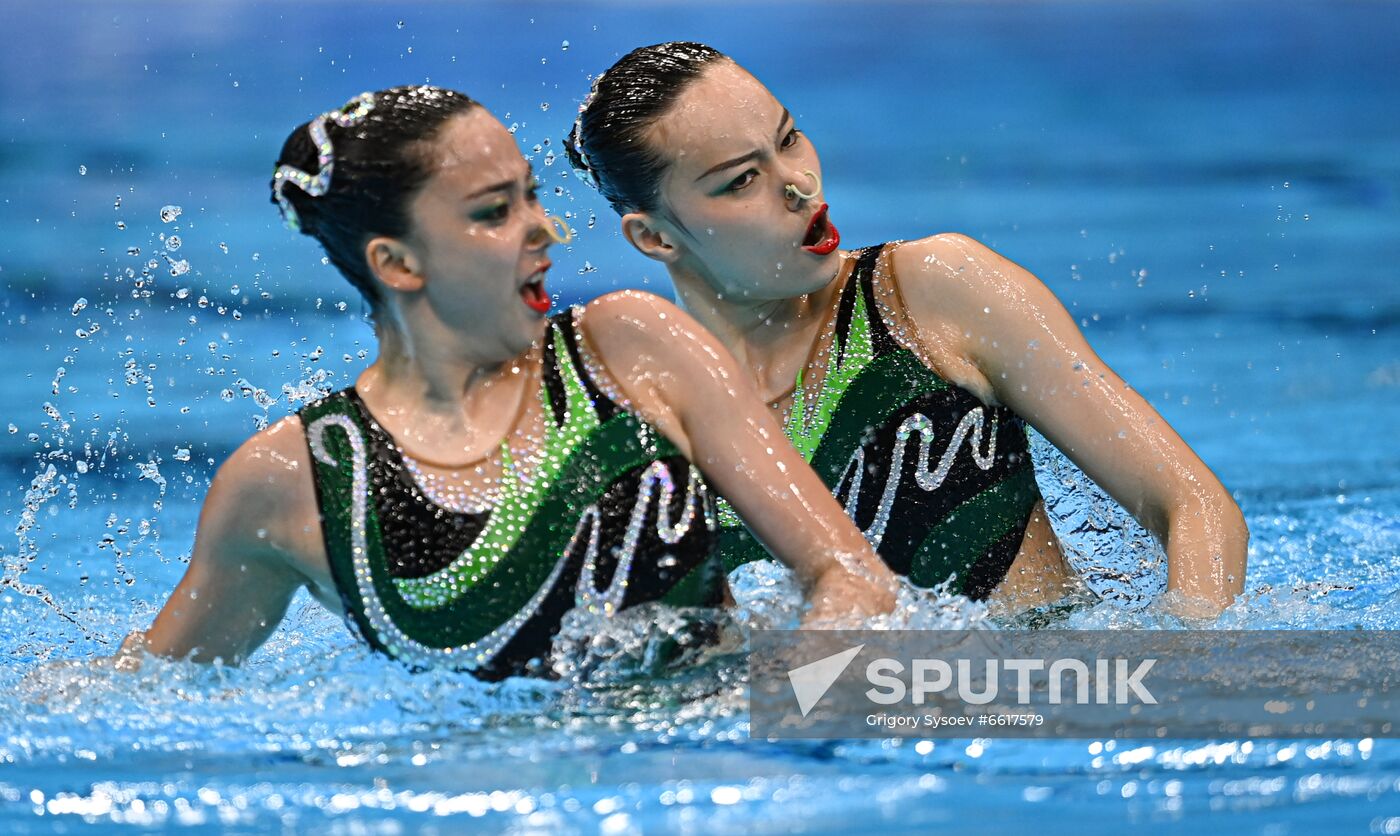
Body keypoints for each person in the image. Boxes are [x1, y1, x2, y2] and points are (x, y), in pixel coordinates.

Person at [117, 85, 897, 681]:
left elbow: (850, 576)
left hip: (718, 788)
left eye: (531, 193)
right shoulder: (293, 484)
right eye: (494, 211)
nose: (541, 227)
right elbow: (146, 697)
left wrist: (773, 725)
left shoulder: (630, 350)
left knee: (999, 694)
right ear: (397, 263)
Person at [565, 44, 1248, 616]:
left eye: (788, 139)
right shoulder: (655, 430)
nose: (798, 185)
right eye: (743, 180)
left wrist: (1180, 667)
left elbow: (1193, 506)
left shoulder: (931, 293)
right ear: (654, 237)